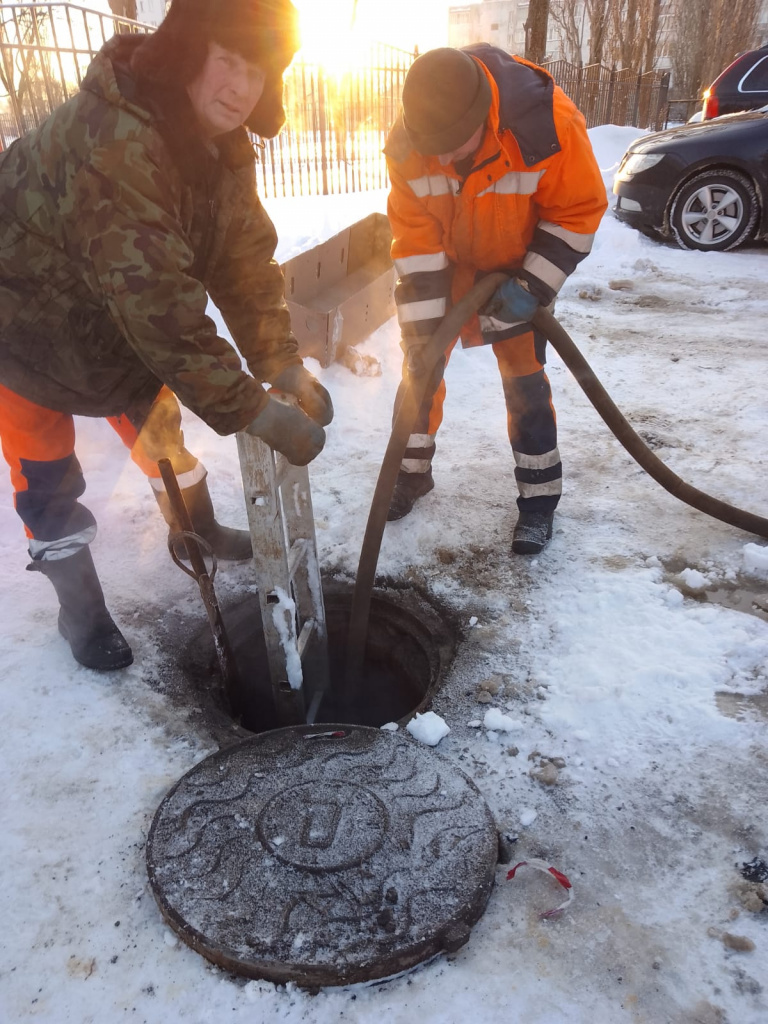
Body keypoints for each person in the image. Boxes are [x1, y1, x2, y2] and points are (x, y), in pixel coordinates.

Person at [0, 0, 333, 671]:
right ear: (187, 52)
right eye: (229, 62)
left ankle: (196, 531)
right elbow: (163, 309)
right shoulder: (118, 139)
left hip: (114, 325)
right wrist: (250, 408)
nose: (242, 88)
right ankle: (81, 610)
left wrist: (280, 360)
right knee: (45, 468)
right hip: (21, 324)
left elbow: (244, 260)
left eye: (258, 74)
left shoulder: (215, 148)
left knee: (161, 435)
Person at [384, 45, 608, 553]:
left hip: (516, 269)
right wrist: (420, 331)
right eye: (431, 147)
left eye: (452, 146)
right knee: (418, 371)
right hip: (445, 268)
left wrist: (531, 286)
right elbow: (415, 245)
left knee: (523, 376)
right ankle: (411, 474)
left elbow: (577, 213)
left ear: (483, 114)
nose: (440, 159)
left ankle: (538, 501)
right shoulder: (407, 145)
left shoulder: (546, 126)